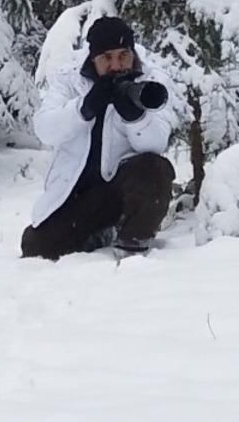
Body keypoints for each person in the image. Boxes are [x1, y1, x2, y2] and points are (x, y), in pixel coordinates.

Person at [21, 15, 176, 260]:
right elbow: (45, 129)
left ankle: (133, 242)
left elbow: (156, 145)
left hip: (122, 189)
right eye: (107, 58)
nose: (116, 65)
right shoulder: (70, 80)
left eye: (123, 55)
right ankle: (99, 233)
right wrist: (84, 108)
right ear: (93, 59)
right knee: (36, 246)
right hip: (81, 194)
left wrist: (135, 115)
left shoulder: (151, 81)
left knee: (155, 169)